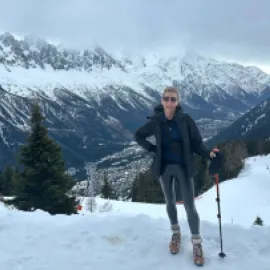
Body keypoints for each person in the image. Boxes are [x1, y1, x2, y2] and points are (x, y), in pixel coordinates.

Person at [134, 86, 216, 266]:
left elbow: (197, 143)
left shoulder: (185, 120)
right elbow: (139, 135)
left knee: (189, 205)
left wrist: (208, 153)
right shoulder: (156, 121)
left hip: (183, 168)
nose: (169, 102)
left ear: (177, 102)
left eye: (173, 99)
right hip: (165, 168)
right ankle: (175, 233)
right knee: (170, 202)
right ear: (162, 101)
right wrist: (153, 149)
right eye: (166, 98)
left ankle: (196, 242)